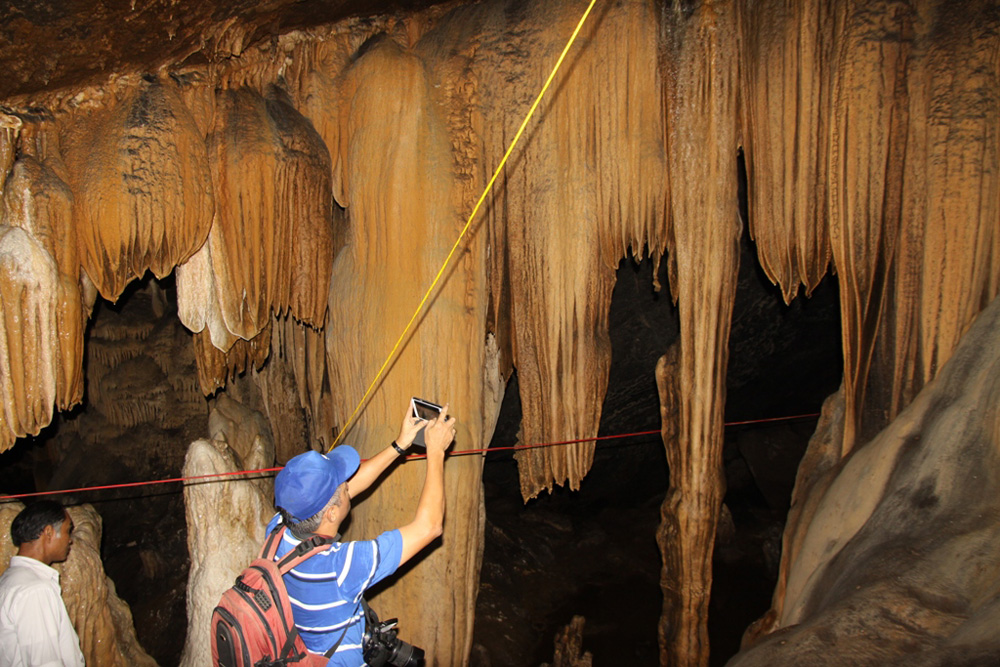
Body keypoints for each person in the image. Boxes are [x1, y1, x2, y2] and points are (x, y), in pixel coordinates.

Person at [268, 402, 456, 666]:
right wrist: (435, 452)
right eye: (343, 485)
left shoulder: (278, 529)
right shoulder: (341, 566)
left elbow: (342, 493)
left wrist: (400, 445)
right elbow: (430, 527)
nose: (349, 484)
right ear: (331, 514)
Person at [0, 500, 85, 667]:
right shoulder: (34, 589)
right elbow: (45, 662)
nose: (70, 540)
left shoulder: (9, 579)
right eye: (68, 531)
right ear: (48, 532)